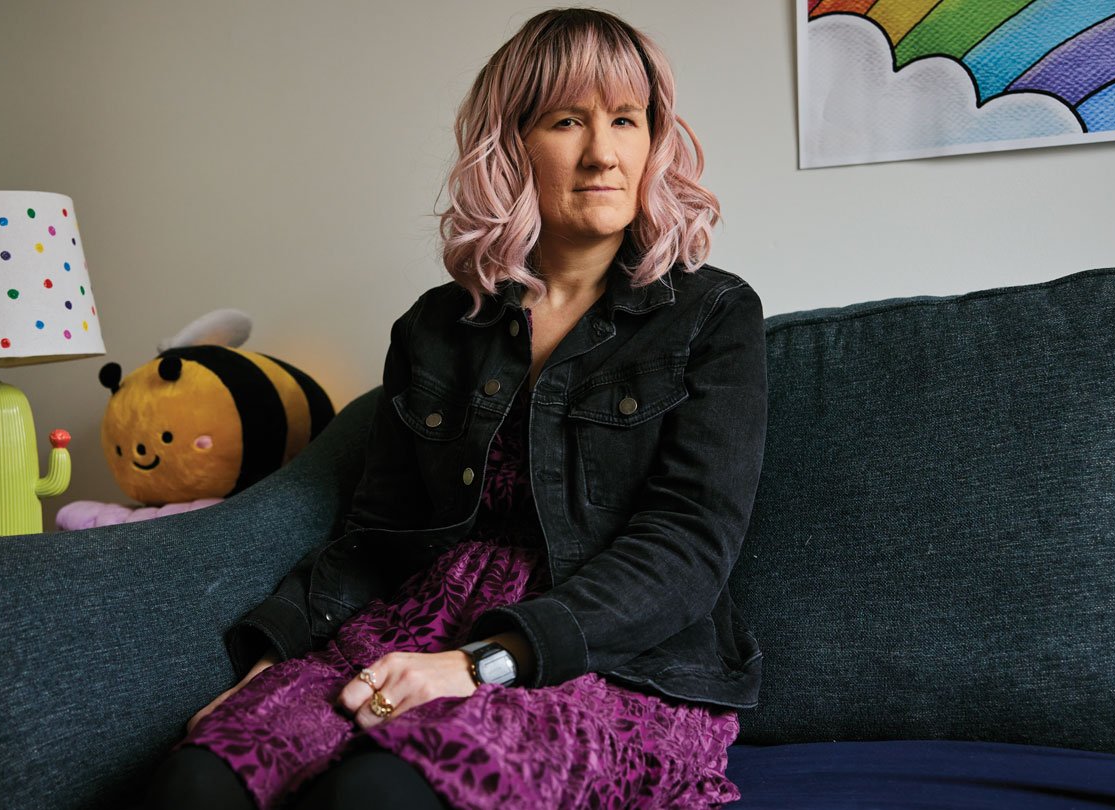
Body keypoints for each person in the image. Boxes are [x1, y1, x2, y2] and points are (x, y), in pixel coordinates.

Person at [147, 7, 766, 809]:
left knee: (379, 793)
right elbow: (377, 533)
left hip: (615, 657)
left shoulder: (712, 316)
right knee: (202, 778)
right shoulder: (438, 325)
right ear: (512, 144)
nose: (603, 152)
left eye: (626, 119)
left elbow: (688, 547)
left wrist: (480, 664)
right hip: (417, 627)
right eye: (566, 120)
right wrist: (270, 666)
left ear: (655, 138)